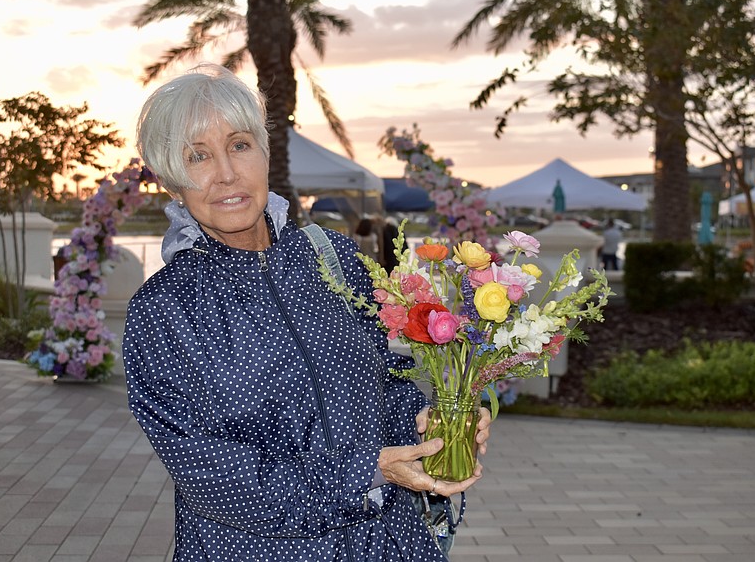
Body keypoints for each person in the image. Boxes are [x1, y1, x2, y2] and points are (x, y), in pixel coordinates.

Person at [123, 64, 491, 561]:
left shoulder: (334, 259)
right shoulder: (165, 310)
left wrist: (426, 426)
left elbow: (384, 382)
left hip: (386, 542)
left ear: (265, 153)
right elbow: (211, 474)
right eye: (198, 156)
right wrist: (365, 472)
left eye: (239, 145)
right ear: (172, 180)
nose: (226, 173)